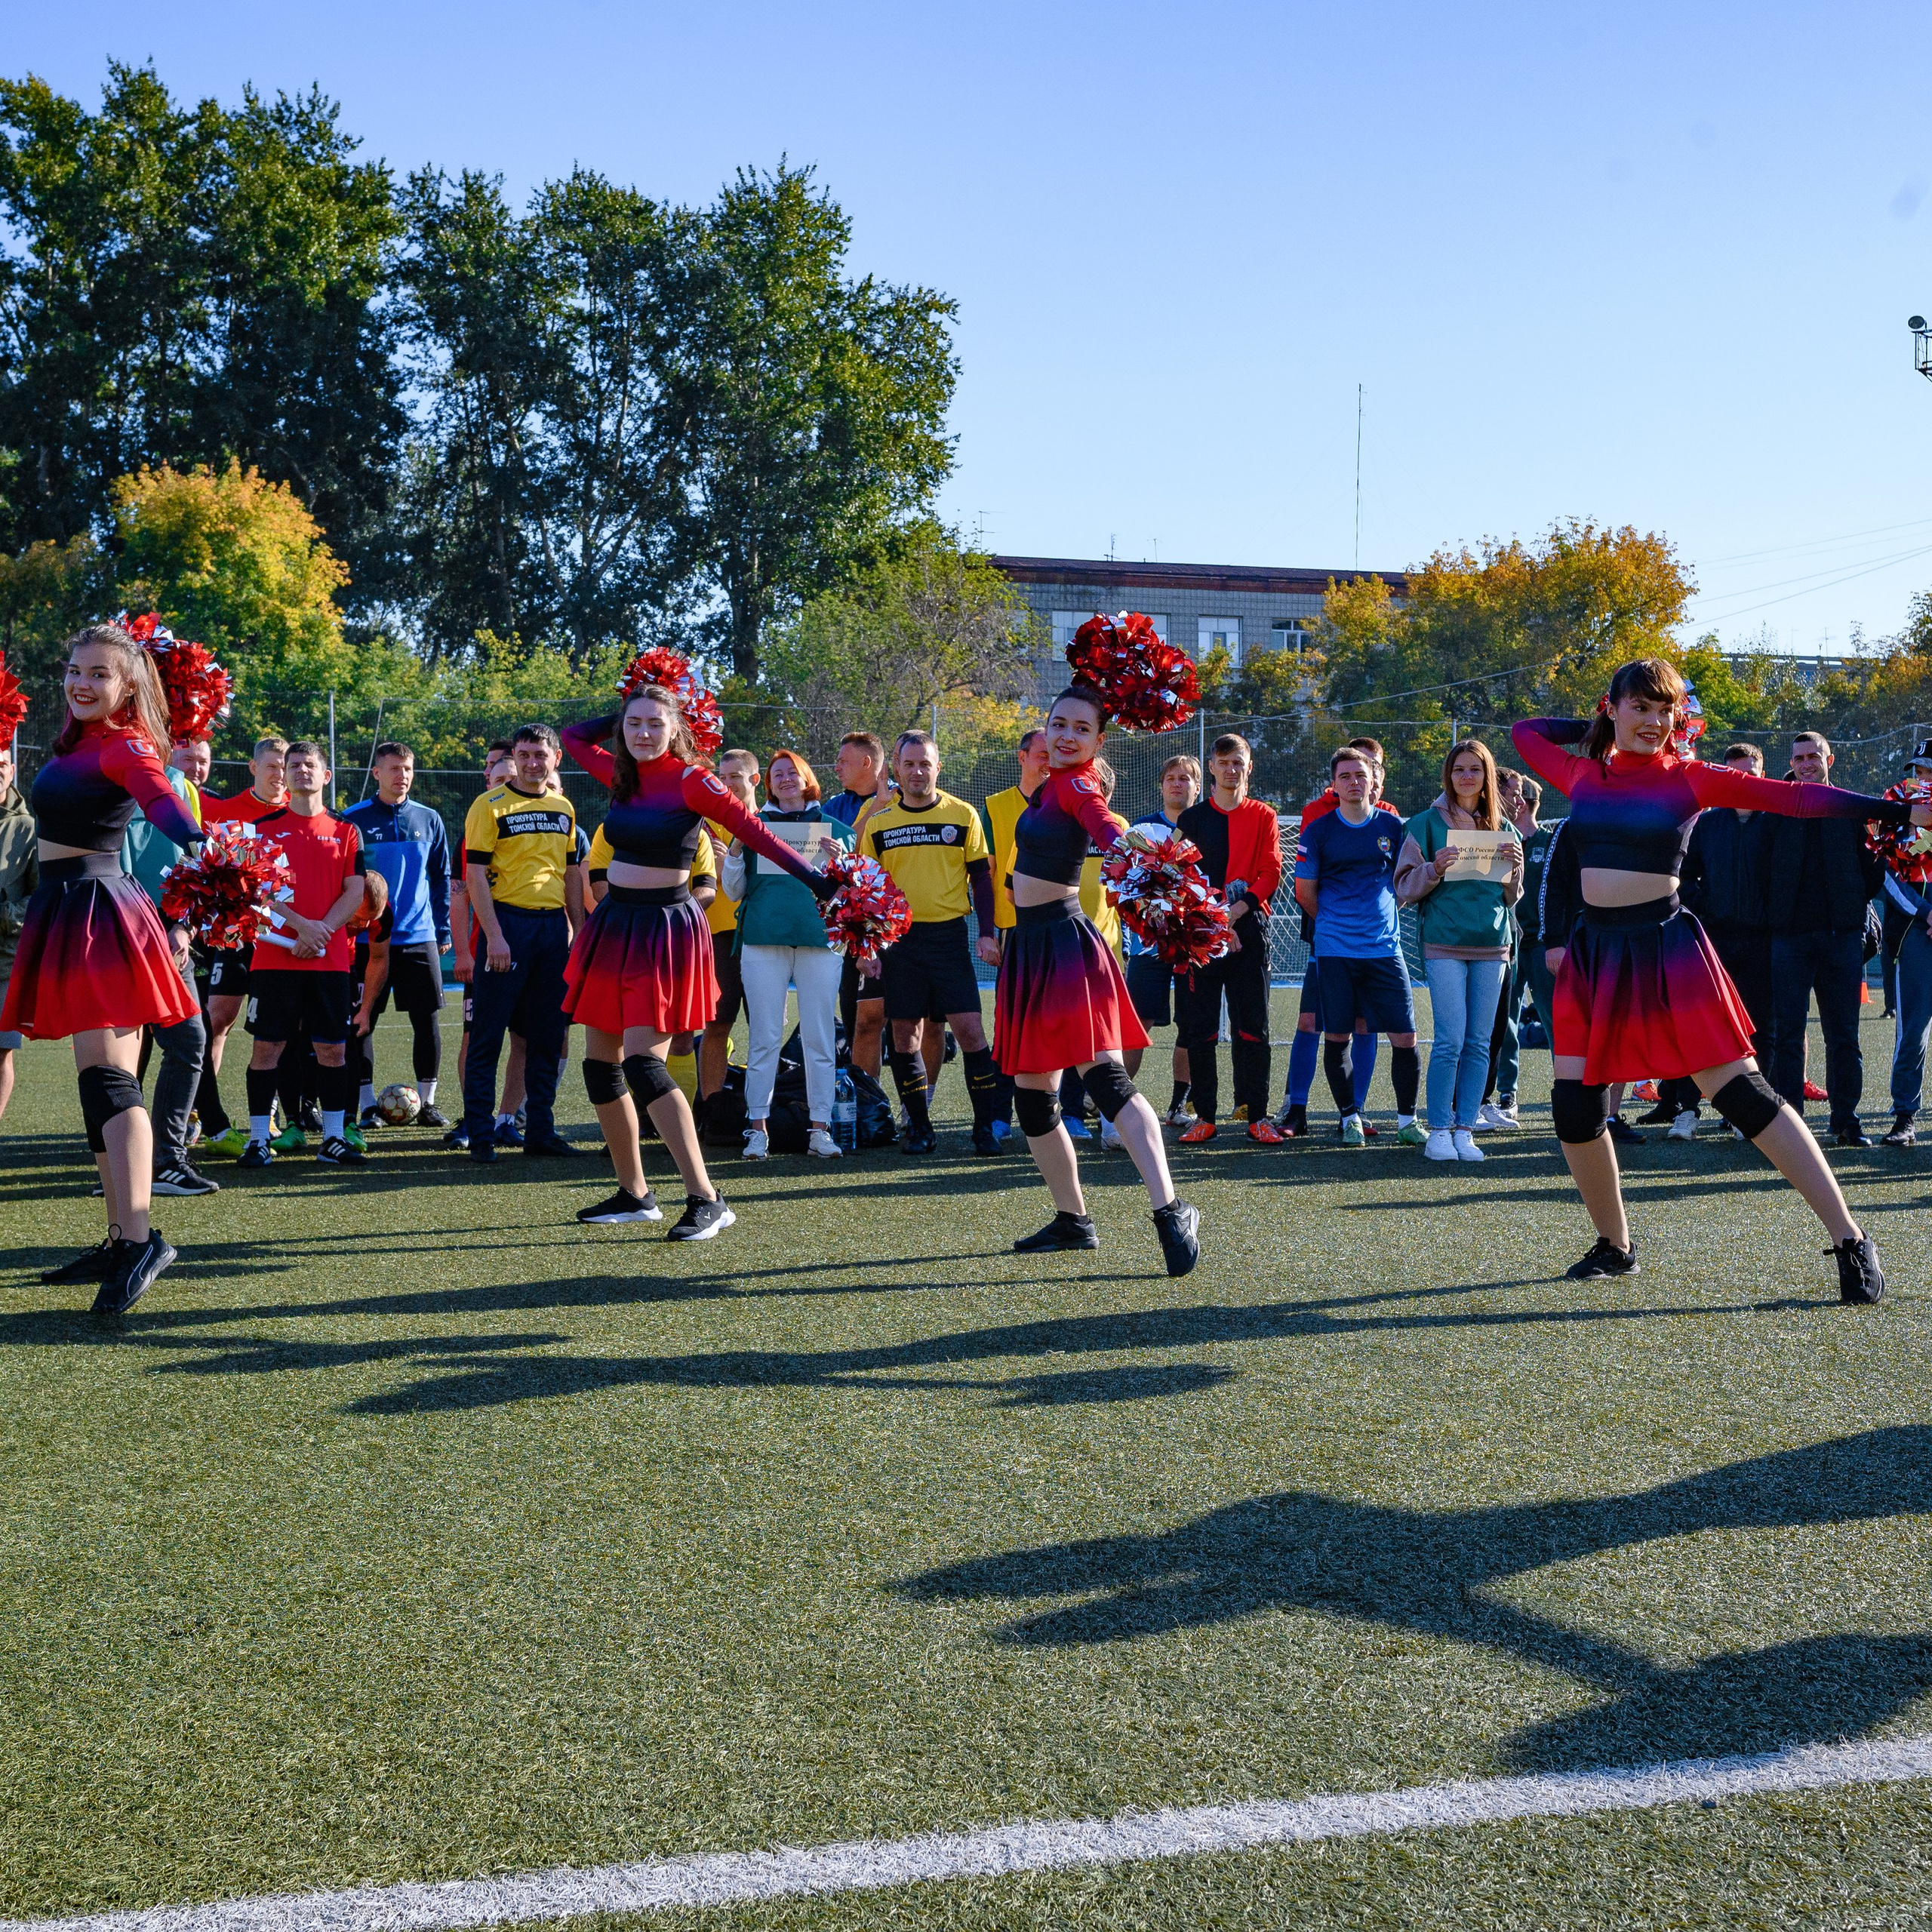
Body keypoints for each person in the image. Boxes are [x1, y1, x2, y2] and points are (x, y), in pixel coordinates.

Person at [1512, 659, 1924, 1298]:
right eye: (1640, 707)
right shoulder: (1580, 774)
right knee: (1574, 1106)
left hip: (1667, 949)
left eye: (1665, 709)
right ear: (1613, 707)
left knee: (1745, 1096)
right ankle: (1616, 1246)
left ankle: (1851, 1238)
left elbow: (1797, 798)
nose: (1654, 722)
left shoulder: (1691, 778)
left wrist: (1894, 812)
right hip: (1597, 955)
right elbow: (1525, 729)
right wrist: (1597, 723)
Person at [560, 686, 834, 1236]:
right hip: (616, 925)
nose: (641, 734)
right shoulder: (622, 774)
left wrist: (817, 881)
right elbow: (571, 738)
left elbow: (754, 832)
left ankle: (708, 1198)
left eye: (654, 725)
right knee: (600, 1064)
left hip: (664, 930)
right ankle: (635, 1192)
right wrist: (631, 706)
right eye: (633, 724)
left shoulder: (691, 779)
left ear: (675, 729)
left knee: (644, 1062)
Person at [10, 623, 204, 1312]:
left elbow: (163, 804)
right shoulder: (75, 743)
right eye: (74, 670)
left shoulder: (124, 744)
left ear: (127, 688)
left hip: (101, 911)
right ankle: (121, 1237)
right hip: (64, 906)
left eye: (99, 674)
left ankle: (143, 1238)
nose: (81, 683)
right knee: (96, 1083)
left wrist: (198, 841)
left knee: (113, 1080)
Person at [989, 683, 1199, 1274]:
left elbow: (1103, 823)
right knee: (1033, 1095)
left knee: (1104, 1080)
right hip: (1030, 948)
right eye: (1059, 724)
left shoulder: (1078, 784)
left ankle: (1172, 1210)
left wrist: (1130, 854)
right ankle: (1073, 1220)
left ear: (1099, 742)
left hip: (1062, 945)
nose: (1066, 736)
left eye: (1081, 729)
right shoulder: (1048, 784)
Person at [858, 730, 1003, 1156]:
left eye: (926, 764)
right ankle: (919, 1128)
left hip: (949, 938)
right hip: (899, 942)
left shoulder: (963, 815)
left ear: (938, 768)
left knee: (972, 1033)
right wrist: (866, 948)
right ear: (896, 770)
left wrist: (988, 932)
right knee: (905, 1035)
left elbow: (981, 877)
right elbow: (866, 890)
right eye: (910, 764)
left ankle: (984, 1128)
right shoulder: (880, 824)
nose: (918, 772)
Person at [234, 743, 369, 1169]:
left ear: (326, 775)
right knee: (267, 1048)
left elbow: (356, 890)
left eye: (310, 765)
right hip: (276, 958)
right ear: (284, 776)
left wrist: (321, 931)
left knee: (333, 1051)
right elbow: (255, 891)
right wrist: (302, 926)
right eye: (294, 766)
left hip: (329, 960)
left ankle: (332, 1139)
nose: (301, 771)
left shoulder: (347, 830)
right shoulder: (262, 828)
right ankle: (258, 1140)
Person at [460, 723, 584, 1164]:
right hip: (507, 927)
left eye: (541, 755)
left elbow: (571, 875)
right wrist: (494, 936)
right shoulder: (488, 805)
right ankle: (479, 1133)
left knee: (548, 1036)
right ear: (515, 756)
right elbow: (474, 876)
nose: (533, 763)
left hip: (552, 932)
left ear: (556, 759)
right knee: (488, 1036)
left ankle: (541, 1131)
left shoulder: (564, 807)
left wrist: (579, 928)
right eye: (525, 754)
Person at [721, 748, 854, 1159]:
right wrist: (738, 850)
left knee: (819, 1040)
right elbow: (733, 892)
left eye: (791, 772)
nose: (784, 779)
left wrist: (842, 865)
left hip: (820, 945)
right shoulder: (751, 827)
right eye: (777, 773)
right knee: (764, 1038)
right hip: (763, 942)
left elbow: (852, 896)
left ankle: (820, 1130)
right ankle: (757, 1130)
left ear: (807, 777)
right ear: (768, 782)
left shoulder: (835, 829)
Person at [1395, 739, 1522, 1162]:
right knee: (1450, 1039)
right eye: (1459, 769)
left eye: (1475, 769)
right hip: (1444, 943)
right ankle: (1439, 1130)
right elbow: (1404, 889)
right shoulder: (1425, 824)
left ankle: (1467, 1128)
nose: (1467, 776)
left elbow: (1511, 897)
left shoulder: (1504, 828)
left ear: (1487, 776)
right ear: (1448, 776)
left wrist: (1514, 870)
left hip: (1493, 945)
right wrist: (1434, 868)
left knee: (1480, 1043)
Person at [1294, 746, 1424, 1147]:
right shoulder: (1318, 831)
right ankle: (1349, 1117)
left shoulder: (1393, 826)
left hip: (1386, 951)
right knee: (1338, 1036)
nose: (1354, 782)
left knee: (1406, 1036)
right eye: (1345, 776)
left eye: (1360, 775)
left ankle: (1407, 1121)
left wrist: (1379, 916)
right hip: (1335, 952)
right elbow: (1305, 893)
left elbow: (1405, 881)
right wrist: (1338, 924)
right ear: (1334, 784)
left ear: (1374, 780)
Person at [1763, 730, 1882, 1148]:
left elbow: (1873, 870)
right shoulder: (1775, 808)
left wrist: (1849, 913)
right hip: (1789, 941)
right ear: (1792, 763)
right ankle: (1790, 1129)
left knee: (1844, 1036)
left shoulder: (1851, 809)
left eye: (1814, 755)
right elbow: (1762, 870)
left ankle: (1846, 1120)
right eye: (1799, 758)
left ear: (1829, 760)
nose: (1806, 763)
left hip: (1842, 940)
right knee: (1787, 1036)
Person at [1175, 734, 1284, 1143]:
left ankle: (1257, 1115)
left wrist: (1236, 914)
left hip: (1250, 930)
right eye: (1224, 763)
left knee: (1253, 1025)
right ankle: (1205, 1115)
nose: (1231, 769)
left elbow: (1271, 872)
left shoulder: (1264, 816)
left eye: (1238, 762)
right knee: (1200, 1027)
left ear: (1248, 766)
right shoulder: (1192, 820)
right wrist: (1215, 921)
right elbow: (1184, 877)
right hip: (1200, 933)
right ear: (1213, 767)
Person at [121, 727, 214, 1194]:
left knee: (189, 1040)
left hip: (170, 931)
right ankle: (119, 1164)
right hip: (114, 928)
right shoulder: (104, 774)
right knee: (121, 1054)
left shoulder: (182, 788)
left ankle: (167, 1160)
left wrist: (185, 926)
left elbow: (199, 866)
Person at [343, 741, 454, 1131]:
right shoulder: (353, 819)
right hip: (366, 942)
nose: (401, 776)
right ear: (376, 773)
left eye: (407, 769)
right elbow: (345, 883)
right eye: (393, 769)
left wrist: (442, 928)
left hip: (419, 936)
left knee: (427, 1021)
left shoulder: (430, 818)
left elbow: (441, 878)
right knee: (362, 1021)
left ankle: (427, 1104)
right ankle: (368, 1104)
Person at [1676, 743, 1777, 1141]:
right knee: (1700, 1027)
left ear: (1761, 773)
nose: (1741, 781)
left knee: (1759, 1029)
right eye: (1733, 774)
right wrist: (1708, 908)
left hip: (1763, 942)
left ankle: (1747, 1113)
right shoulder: (1706, 823)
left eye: (1749, 773)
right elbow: (1682, 876)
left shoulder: (1776, 821)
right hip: (1714, 941)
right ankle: (1688, 1110)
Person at [195, 736, 288, 1155]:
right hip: (233, 937)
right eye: (270, 765)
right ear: (253, 768)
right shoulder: (221, 811)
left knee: (275, 1025)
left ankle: (271, 1112)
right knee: (219, 1019)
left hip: (282, 937)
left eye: (285, 766)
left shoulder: (302, 813)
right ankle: (197, 1111)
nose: (279, 773)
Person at [980, 727, 1054, 1139]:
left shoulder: (1067, 800)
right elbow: (987, 873)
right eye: (1041, 753)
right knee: (1010, 1025)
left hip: (1057, 930)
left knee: (1056, 1023)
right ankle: (998, 1116)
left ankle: (1060, 1112)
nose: (1048, 761)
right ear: (1022, 757)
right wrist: (989, 932)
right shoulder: (995, 807)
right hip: (1013, 932)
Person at [1122, 753, 1199, 1127]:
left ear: (1197, 787)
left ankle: (1178, 1106)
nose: (1177, 783)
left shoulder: (1207, 826)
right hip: (1148, 945)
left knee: (1191, 1024)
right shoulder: (1142, 828)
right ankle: (1113, 1103)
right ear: (1161, 785)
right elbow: (1125, 884)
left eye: (1185, 778)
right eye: (1171, 777)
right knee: (1138, 1024)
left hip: (1193, 946)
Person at [1065, 756, 1132, 1147]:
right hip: (1062, 951)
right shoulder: (1058, 825)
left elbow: (1124, 892)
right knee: (1072, 1038)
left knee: (1108, 1041)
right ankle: (1070, 1112)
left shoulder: (1118, 829)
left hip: (1106, 953)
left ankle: (1111, 1123)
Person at [1477, 768, 1546, 1131]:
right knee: (1495, 1024)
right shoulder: (1485, 835)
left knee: (1553, 1019)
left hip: (1536, 942)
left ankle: (1568, 1091)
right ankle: (1497, 1096)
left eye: (1523, 796)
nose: (1518, 802)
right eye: (1513, 794)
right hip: (1494, 942)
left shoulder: (1544, 840)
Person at [697, 748, 759, 1109]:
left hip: (764, 938)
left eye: (734, 776)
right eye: (721, 776)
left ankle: (759, 1108)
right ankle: (711, 1108)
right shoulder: (708, 820)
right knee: (717, 1026)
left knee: (764, 1032)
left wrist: (730, 864)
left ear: (753, 779)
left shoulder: (771, 821)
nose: (725, 783)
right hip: (719, 937)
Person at [1878, 737, 1932, 1146]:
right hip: (1916, 930)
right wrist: (1924, 912)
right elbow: (1887, 875)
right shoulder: (1895, 814)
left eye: (1930, 770)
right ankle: (1904, 1116)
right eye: (1918, 770)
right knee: (1912, 1029)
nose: (1922, 779)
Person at [0, 740, 39, 1126]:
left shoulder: (29, 828)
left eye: (4, 764)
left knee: (0, 1052)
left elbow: (40, 898)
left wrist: (4, 916)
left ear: (12, 771)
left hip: (5, 961)